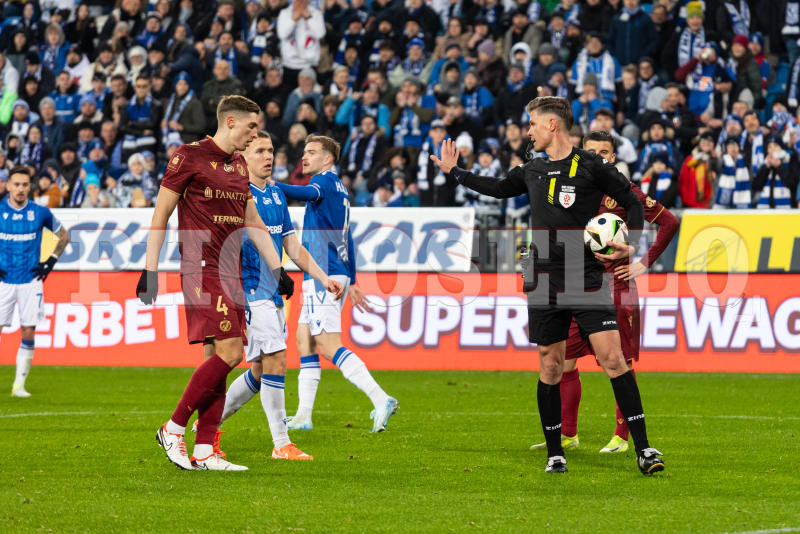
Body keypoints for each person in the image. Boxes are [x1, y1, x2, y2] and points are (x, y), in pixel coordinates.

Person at [430, 96, 664, 475]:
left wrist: (632, 241)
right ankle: (556, 454)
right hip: (542, 276)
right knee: (551, 364)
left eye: (532, 124)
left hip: (586, 276)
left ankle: (644, 449)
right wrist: (456, 172)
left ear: (552, 125)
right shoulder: (532, 169)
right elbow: (497, 187)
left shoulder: (592, 165)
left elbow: (633, 203)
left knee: (614, 359)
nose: (529, 132)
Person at [137, 96, 324, 471]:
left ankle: (205, 450)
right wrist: (150, 269)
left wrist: (277, 269)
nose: (256, 134)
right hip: (200, 266)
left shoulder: (238, 165)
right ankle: (173, 427)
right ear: (231, 121)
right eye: (252, 127)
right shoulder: (187, 156)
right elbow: (161, 214)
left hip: (230, 271)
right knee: (233, 352)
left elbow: (252, 220)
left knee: (216, 359)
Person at [529, 131, 679, 455]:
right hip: (577, 286)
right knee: (565, 362)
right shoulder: (570, 190)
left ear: (613, 158)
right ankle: (567, 434)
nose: (598, 156)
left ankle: (622, 437)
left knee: (618, 362)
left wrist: (643, 262)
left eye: (604, 152)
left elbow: (669, 222)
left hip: (616, 286)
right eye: (591, 150)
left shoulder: (625, 192)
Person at [207, 131, 344, 461]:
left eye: (270, 150)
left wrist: (323, 277)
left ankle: (206, 428)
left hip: (272, 290)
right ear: (243, 157)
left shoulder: (276, 195)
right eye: (259, 151)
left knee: (259, 369)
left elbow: (291, 246)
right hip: (248, 288)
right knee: (277, 359)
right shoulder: (237, 195)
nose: (268, 156)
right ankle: (281, 444)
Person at [274, 135, 399, 433]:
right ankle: (303, 416)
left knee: (329, 346)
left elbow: (305, 193)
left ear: (327, 158)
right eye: (304, 152)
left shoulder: (324, 182)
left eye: (311, 152)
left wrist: (269, 184)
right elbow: (348, 237)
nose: (304, 157)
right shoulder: (340, 188)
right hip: (332, 271)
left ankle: (380, 398)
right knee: (304, 340)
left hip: (325, 273)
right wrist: (353, 279)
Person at [0, 166, 69, 398]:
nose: (20, 189)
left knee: (28, 330)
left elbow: (64, 235)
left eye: (24, 184)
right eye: (16, 184)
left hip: (31, 280)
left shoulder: (40, 212)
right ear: (8, 186)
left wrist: (50, 261)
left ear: (30, 187)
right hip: (3, 281)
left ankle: (19, 385)